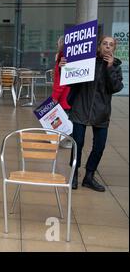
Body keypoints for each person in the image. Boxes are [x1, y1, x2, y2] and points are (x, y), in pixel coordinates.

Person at [64, 36, 124, 191]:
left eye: (111, 45)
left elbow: (116, 88)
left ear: (114, 48)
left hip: (101, 112)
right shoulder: (86, 62)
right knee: (78, 143)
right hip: (81, 108)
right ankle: (74, 174)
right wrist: (63, 68)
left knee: (99, 145)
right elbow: (71, 81)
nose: (108, 47)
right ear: (99, 46)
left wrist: (109, 68)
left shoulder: (116, 66)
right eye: (105, 43)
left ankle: (89, 176)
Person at [52, 36, 72, 149]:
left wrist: (55, 96)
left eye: (58, 43)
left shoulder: (63, 56)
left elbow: (61, 80)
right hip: (67, 96)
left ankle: (66, 140)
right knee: (65, 118)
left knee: (63, 119)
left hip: (64, 97)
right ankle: (65, 139)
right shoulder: (65, 56)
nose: (57, 45)